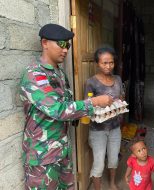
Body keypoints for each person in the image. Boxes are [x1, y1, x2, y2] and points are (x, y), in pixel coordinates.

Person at [19, 24, 113, 189]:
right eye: (61, 44)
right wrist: (94, 102)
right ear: (45, 43)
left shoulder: (60, 74)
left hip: (62, 151)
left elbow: (68, 105)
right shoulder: (34, 74)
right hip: (42, 157)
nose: (65, 50)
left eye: (67, 45)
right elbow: (58, 109)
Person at [84, 46, 124, 190]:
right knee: (99, 163)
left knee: (113, 159)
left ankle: (112, 183)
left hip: (115, 127)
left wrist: (119, 103)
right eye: (104, 63)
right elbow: (87, 106)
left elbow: (121, 96)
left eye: (111, 62)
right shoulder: (91, 82)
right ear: (97, 64)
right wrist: (100, 106)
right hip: (97, 129)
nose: (108, 66)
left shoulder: (118, 79)